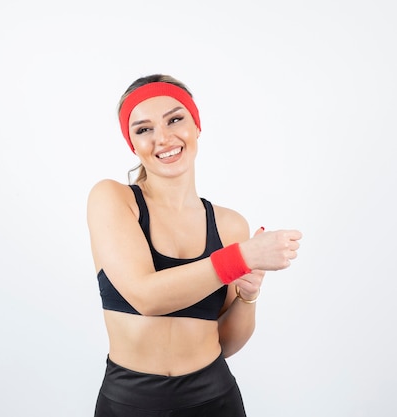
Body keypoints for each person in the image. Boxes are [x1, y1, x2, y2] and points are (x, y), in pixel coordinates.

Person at [87, 74, 302, 416]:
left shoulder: (229, 225)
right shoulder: (113, 199)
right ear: (132, 143)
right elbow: (146, 297)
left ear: (196, 126)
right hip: (130, 401)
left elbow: (225, 342)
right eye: (144, 129)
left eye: (175, 119)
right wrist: (242, 257)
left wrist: (248, 294)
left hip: (215, 398)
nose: (163, 138)